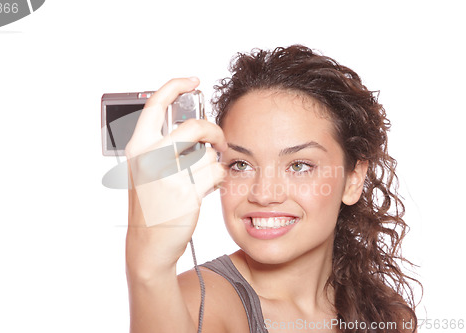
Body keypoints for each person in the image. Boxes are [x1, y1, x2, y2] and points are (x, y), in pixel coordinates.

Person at [124, 45, 419, 333]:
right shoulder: (202, 305)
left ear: (353, 180)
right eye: (241, 164)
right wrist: (149, 270)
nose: (264, 194)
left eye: (299, 166)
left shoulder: (387, 314)